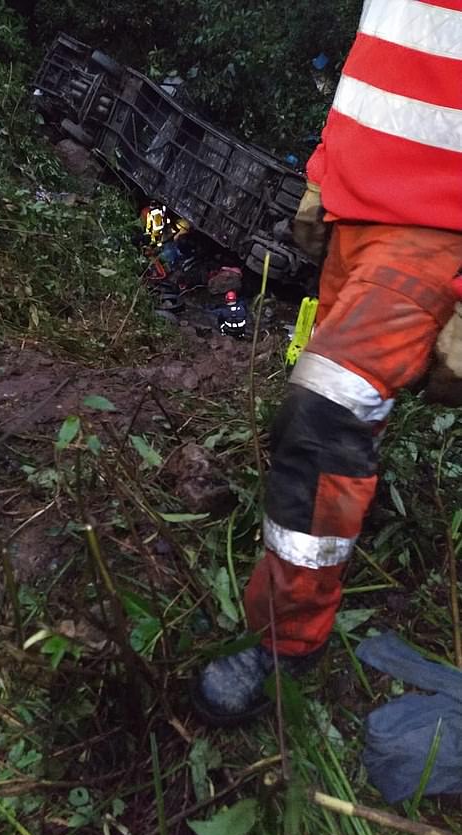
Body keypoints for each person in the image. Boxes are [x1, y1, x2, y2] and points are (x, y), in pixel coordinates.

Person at [192, 0, 462, 726]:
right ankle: (341, 528)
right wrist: (326, 170)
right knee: (342, 408)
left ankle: (287, 636)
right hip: (359, 204)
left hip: (435, 232)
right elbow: (387, 55)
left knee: (324, 411)